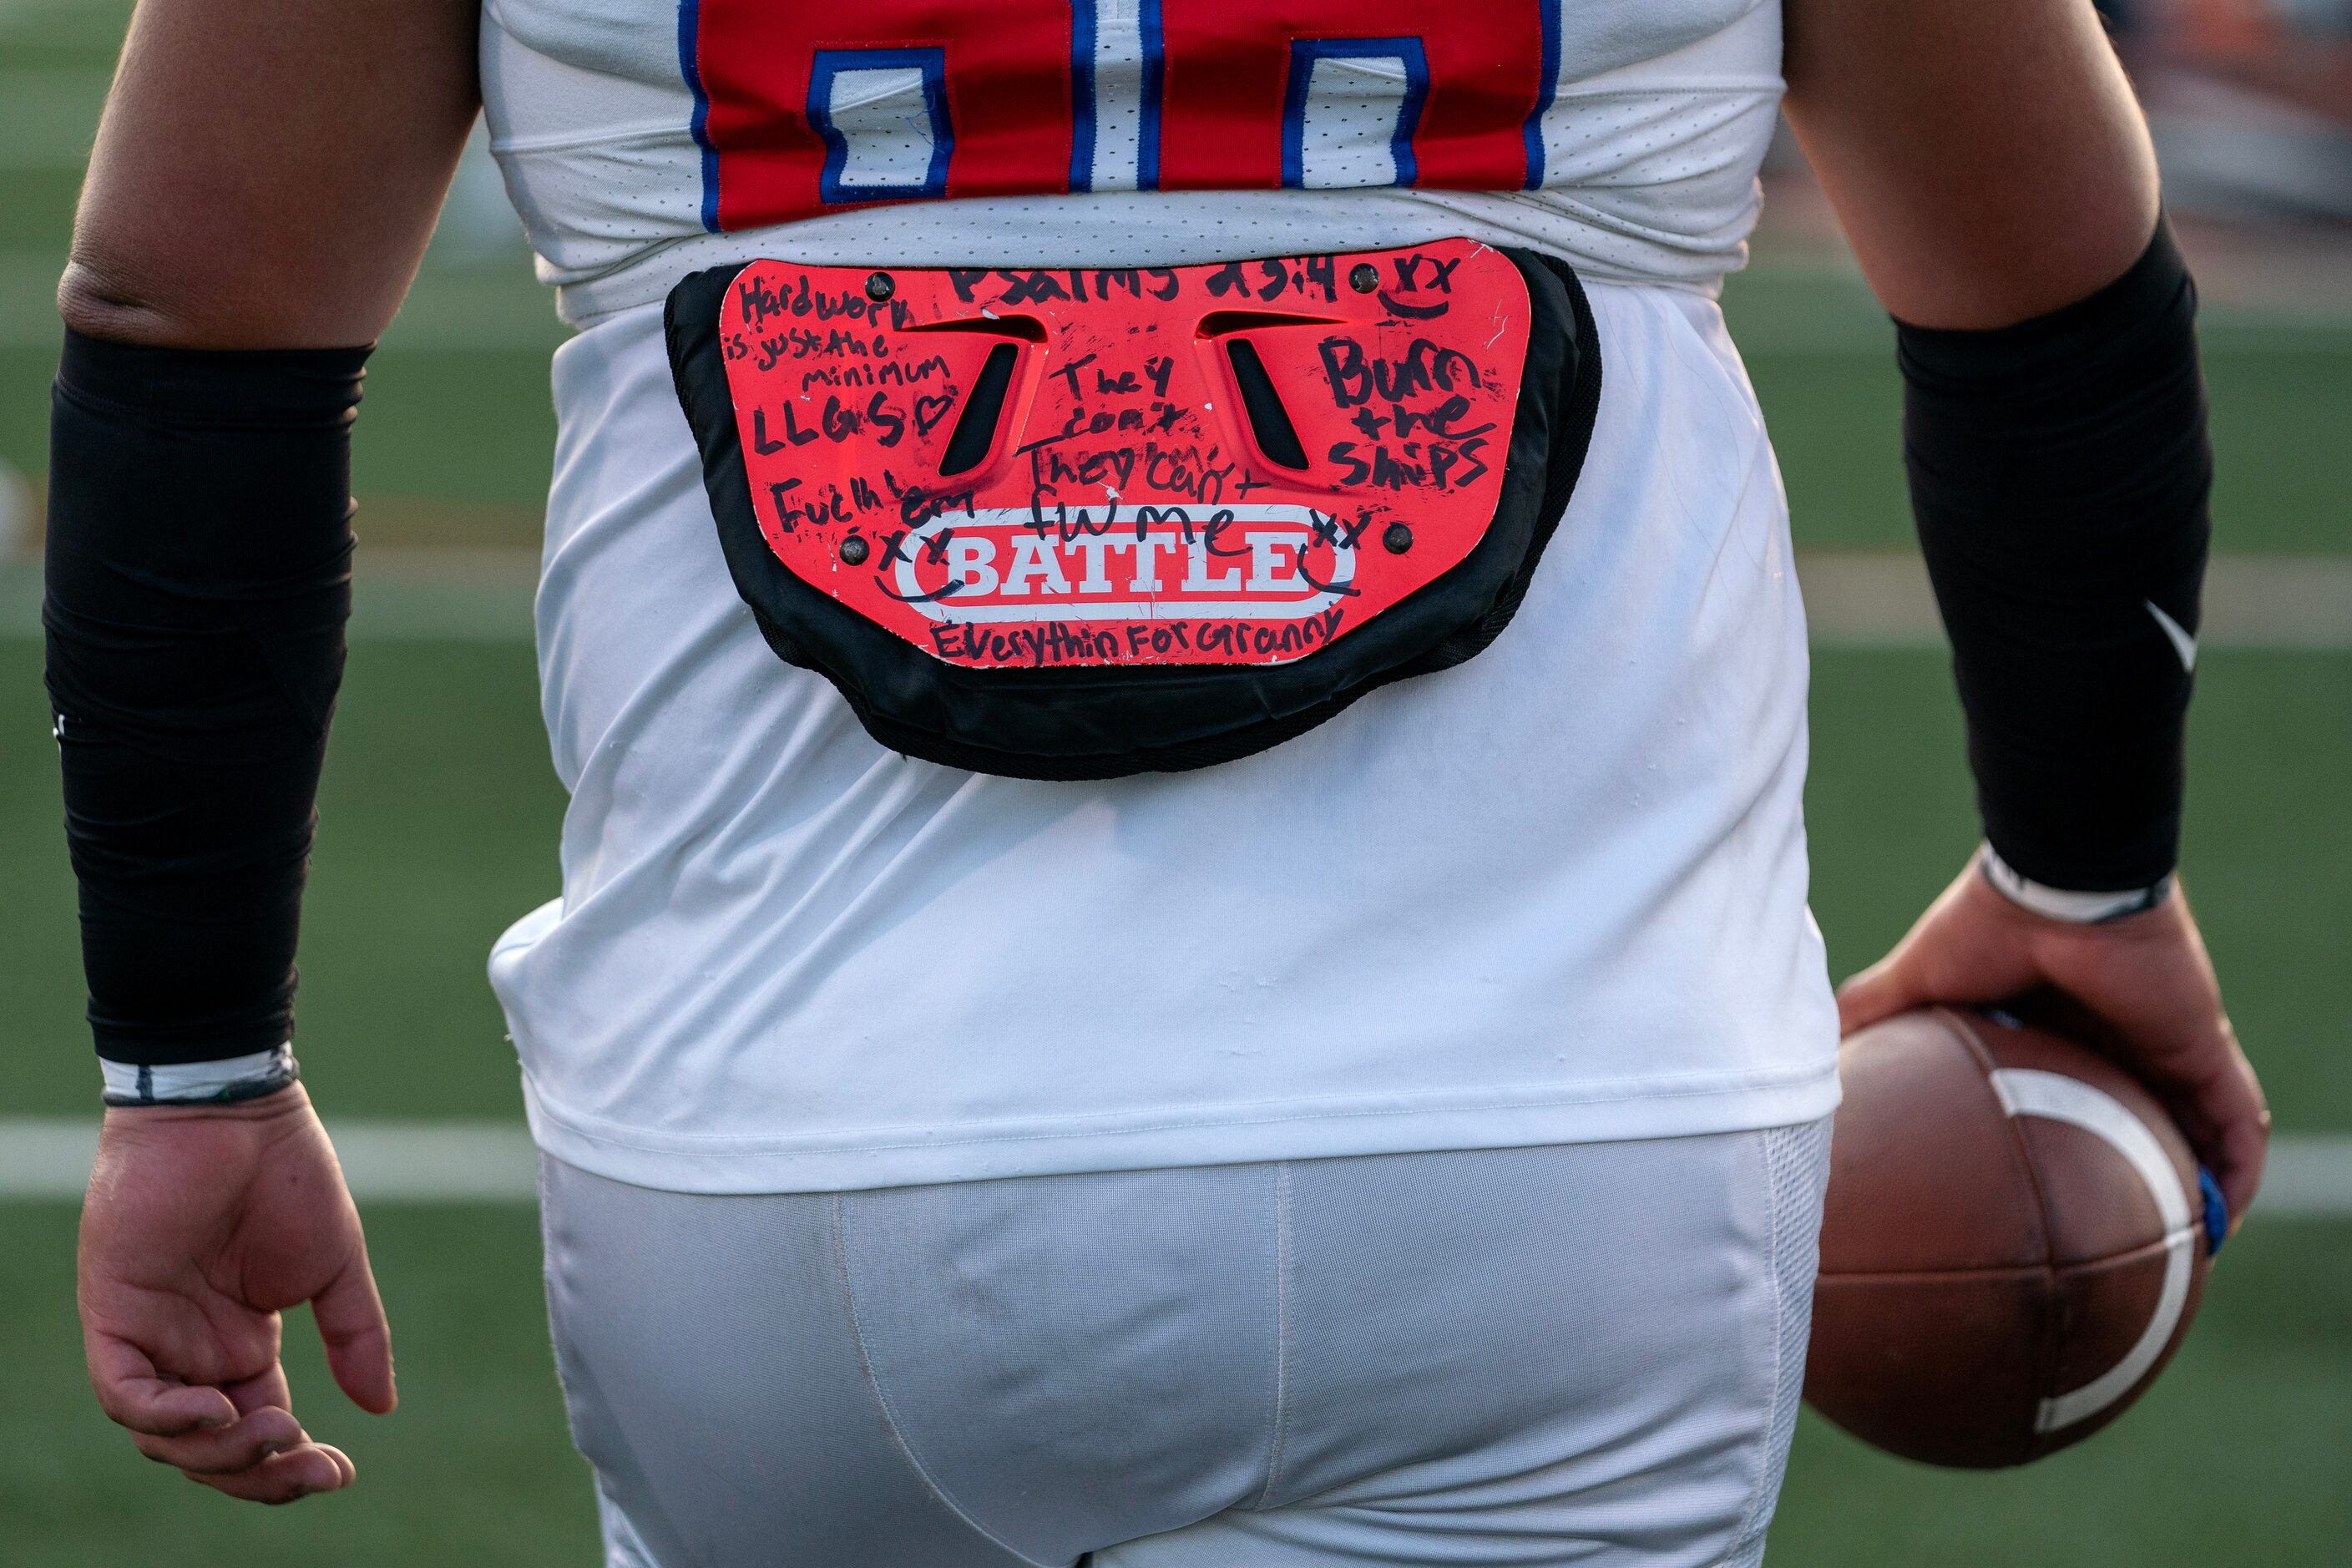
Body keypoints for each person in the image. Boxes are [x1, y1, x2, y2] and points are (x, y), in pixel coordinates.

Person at [50, 0, 2268, 1560]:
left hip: (797, 1144)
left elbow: (195, 322)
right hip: (1543, 1142)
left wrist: (194, 1068)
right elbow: (2045, 282)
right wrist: (2081, 876)